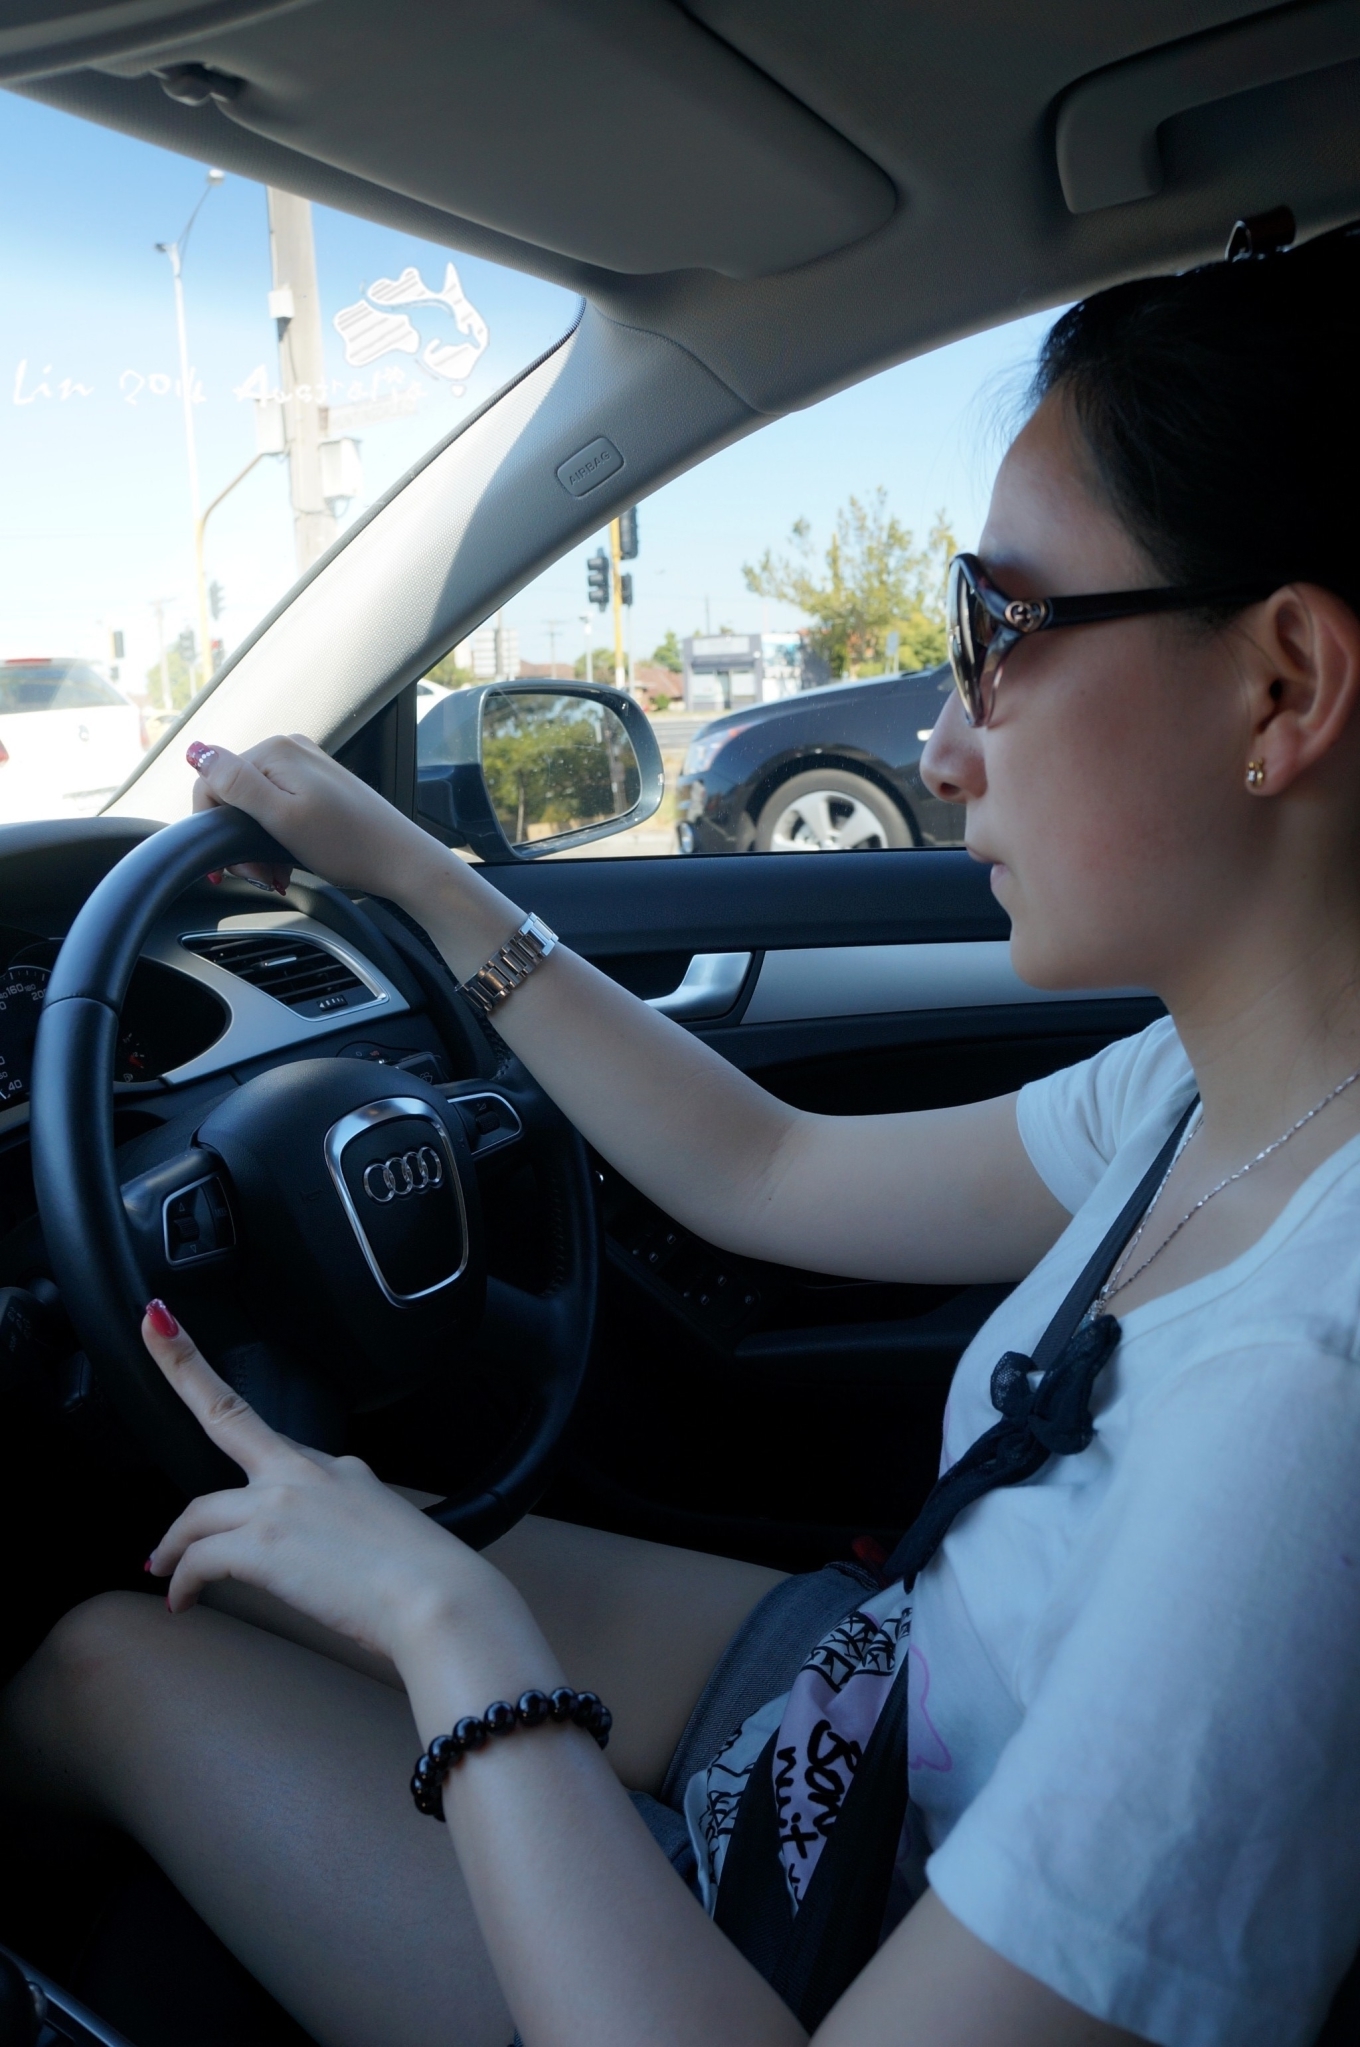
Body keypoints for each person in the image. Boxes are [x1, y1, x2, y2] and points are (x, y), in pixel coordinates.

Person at [7, 224, 1360, 2047]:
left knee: (108, 1659)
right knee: (205, 1543)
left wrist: (455, 1640)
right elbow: (766, 1171)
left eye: (998, 632)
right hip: (871, 1714)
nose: (944, 741)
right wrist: (418, 877)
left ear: (1283, 687)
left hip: (835, 1939)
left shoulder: (1312, 1420)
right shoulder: (1201, 1088)